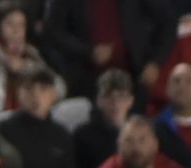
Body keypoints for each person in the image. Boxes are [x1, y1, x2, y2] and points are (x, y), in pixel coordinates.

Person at [39, 0, 177, 103]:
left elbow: (167, 21)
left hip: (133, 80)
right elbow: (52, 32)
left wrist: (155, 62)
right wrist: (88, 52)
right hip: (85, 83)